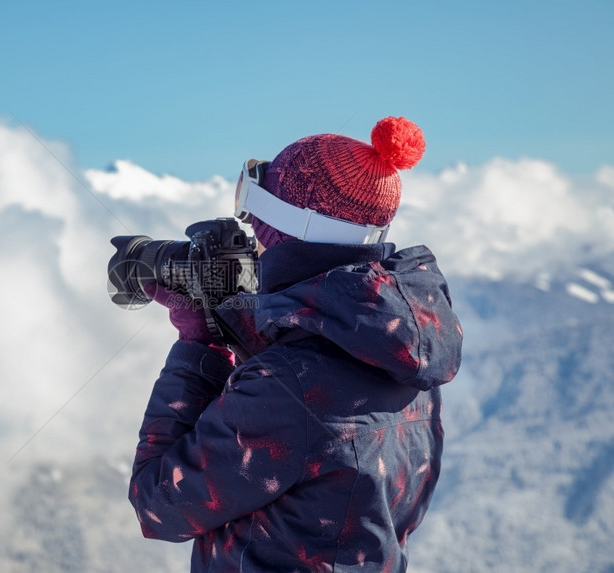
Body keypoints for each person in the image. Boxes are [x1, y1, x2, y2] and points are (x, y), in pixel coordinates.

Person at [128, 117, 463, 572]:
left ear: (280, 229)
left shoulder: (288, 385)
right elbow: (322, 422)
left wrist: (197, 346)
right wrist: (245, 323)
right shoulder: (406, 346)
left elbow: (157, 504)